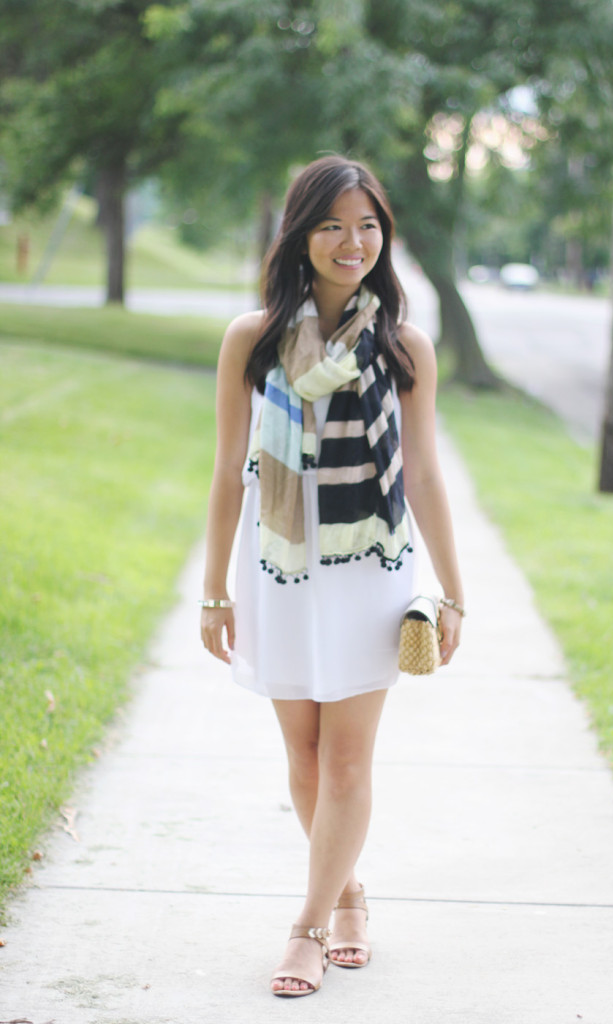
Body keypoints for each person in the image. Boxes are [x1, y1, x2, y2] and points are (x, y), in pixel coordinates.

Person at [200, 155, 464, 997]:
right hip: (279, 569)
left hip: (368, 570)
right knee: (305, 758)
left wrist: (452, 592)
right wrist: (214, 590)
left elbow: (423, 474)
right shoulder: (252, 338)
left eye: (368, 225)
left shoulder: (402, 344)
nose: (353, 242)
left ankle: (306, 928)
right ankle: (346, 890)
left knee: (347, 763)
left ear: (383, 236)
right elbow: (224, 472)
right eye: (332, 225)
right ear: (300, 234)